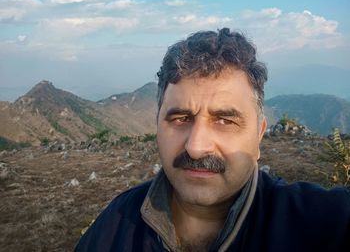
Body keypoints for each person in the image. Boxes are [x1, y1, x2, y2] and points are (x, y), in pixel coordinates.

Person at [75, 28, 350, 252]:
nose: (196, 147)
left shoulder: (324, 223)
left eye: (225, 120)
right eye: (180, 118)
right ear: (157, 126)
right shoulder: (114, 225)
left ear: (259, 134)